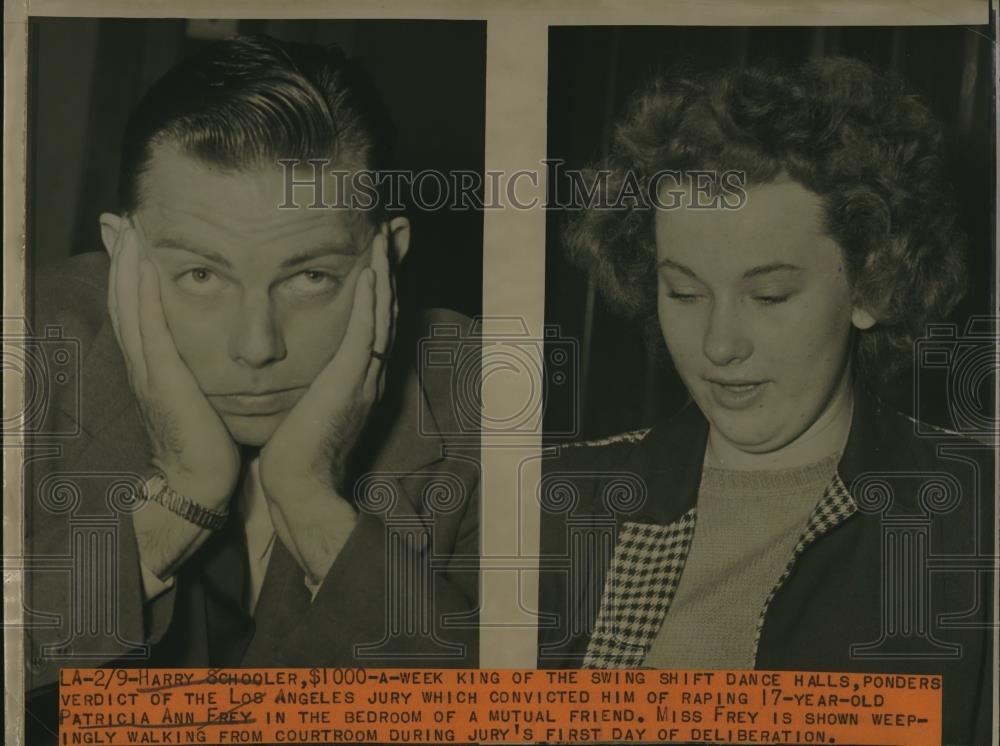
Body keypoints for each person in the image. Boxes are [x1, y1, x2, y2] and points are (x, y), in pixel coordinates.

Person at [25, 33, 479, 733]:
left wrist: (316, 510)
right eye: (201, 275)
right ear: (123, 256)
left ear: (386, 256)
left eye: (310, 277)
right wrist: (176, 504)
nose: (256, 347)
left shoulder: (488, 397)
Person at [538, 57, 993, 745]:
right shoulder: (554, 495)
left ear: (870, 284)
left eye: (770, 295)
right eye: (685, 293)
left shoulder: (976, 514)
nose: (718, 345)